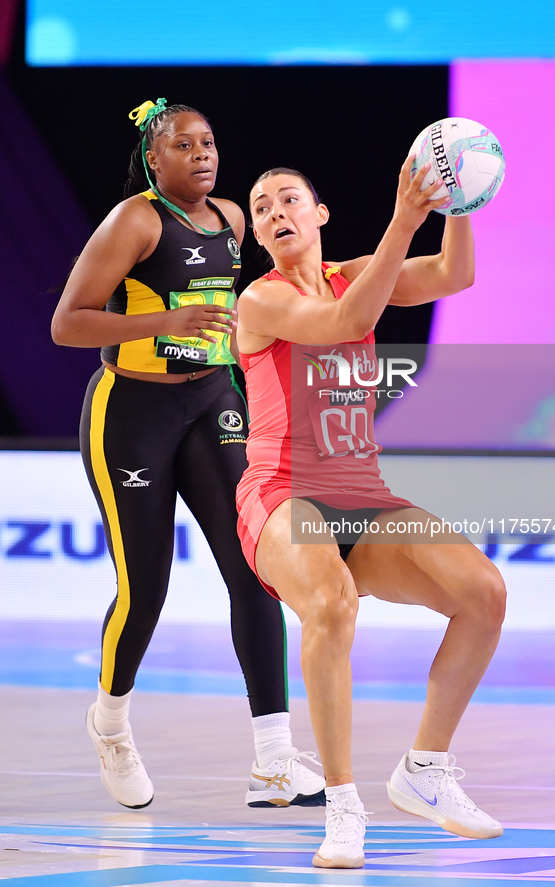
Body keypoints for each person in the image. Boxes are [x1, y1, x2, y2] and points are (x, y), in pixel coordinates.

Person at [51, 99, 324, 810]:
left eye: (208, 142)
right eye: (184, 145)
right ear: (154, 157)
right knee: (145, 588)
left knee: (254, 569)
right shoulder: (134, 221)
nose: (202, 154)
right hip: (131, 416)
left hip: (210, 402)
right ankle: (109, 722)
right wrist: (167, 320)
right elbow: (67, 323)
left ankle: (273, 759)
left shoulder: (233, 219)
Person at [235, 161, 507, 867]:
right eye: (261, 207)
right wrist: (403, 216)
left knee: (482, 592)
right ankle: (343, 804)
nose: (274, 211)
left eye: (288, 197)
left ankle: (424, 767)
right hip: (280, 493)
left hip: (362, 492)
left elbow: (453, 274)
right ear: (259, 233)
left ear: (319, 213)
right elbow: (345, 321)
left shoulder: (354, 270)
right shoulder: (259, 302)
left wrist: (460, 197)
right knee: (330, 603)